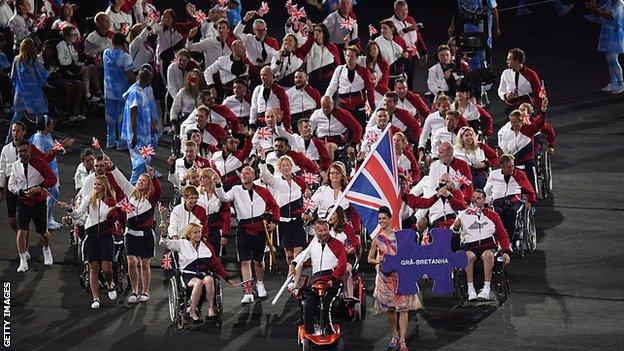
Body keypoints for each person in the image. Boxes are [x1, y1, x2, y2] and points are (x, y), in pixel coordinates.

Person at [214, 166, 281, 304]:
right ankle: (248, 291)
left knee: (259, 262)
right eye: (242, 173)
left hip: (260, 228)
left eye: (247, 172)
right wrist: (218, 185)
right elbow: (224, 198)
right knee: (244, 261)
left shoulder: (263, 191)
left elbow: (274, 207)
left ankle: (260, 283)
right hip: (243, 229)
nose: (244, 175)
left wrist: (275, 221)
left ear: (254, 175)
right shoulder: (235, 189)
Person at [60, 175, 121, 308]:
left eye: (99, 185)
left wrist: (111, 214)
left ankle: (110, 284)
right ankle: (96, 298)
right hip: (91, 238)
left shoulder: (111, 201)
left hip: (105, 238)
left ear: (104, 186)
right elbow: (78, 214)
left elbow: (114, 221)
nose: (96, 187)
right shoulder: (88, 199)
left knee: (106, 269)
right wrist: (69, 209)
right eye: (95, 185)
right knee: (93, 269)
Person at [160, 223, 237, 322]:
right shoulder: (182, 244)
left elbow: (216, 264)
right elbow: (166, 243)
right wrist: (164, 233)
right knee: (198, 283)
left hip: (203, 273)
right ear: (189, 234)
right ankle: (192, 311)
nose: (198, 234)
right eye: (195, 232)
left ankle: (211, 310)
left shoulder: (207, 246)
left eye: (200, 232)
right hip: (188, 274)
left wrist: (227, 278)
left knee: (209, 279)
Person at [367, 206, 419, 351]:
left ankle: (402, 340)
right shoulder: (377, 239)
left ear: (390, 219)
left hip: (400, 276)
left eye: (384, 218)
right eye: (379, 219)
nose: (381, 221)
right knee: (391, 309)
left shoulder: (400, 236)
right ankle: (394, 335)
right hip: (385, 277)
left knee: (403, 308)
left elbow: (409, 254)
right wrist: (380, 261)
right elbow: (369, 259)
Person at [111, 165, 162, 304]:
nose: (140, 182)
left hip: (146, 235)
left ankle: (145, 291)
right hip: (130, 234)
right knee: (132, 263)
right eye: (139, 180)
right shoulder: (131, 193)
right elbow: (121, 181)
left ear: (148, 184)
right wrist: (112, 166)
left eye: (143, 181)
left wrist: (154, 177)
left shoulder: (151, 199)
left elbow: (158, 190)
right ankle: (134, 290)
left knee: (145, 265)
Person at [451, 189, 511, 300]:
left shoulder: (493, 215)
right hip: (470, 246)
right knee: (468, 256)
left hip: (488, 246)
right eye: (473, 197)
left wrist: (506, 251)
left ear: (484, 200)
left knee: (488, 255)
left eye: (478, 198)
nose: (474, 200)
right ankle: (471, 290)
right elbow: (454, 232)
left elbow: (502, 234)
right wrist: (456, 228)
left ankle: (486, 289)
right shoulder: (462, 214)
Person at [8, 139, 57, 273]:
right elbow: (11, 184)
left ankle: (46, 249)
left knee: (43, 233)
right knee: (21, 230)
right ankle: (23, 260)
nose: (22, 153)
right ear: (17, 152)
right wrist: (21, 192)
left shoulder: (40, 163)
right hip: (23, 202)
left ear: (29, 149)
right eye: (20, 151)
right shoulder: (15, 166)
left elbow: (53, 179)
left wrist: (40, 188)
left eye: (24, 150)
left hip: (39, 202)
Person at [291, 218, 347, 335]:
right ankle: (309, 332)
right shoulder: (312, 245)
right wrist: (293, 263)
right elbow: (302, 256)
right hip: (316, 281)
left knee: (326, 306)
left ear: (329, 229)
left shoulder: (338, 245)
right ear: (315, 231)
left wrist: (333, 278)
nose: (323, 233)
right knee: (308, 306)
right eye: (320, 231)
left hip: (333, 281)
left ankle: (329, 330)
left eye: (325, 230)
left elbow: (342, 266)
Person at [259, 154, 307, 267]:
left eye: (287, 165)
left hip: (297, 220)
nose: (285, 167)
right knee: (289, 254)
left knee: (297, 255)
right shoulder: (276, 181)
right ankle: (291, 277)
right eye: (283, 166)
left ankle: (295, 280)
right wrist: (262, 160)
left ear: (292, 166)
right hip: (284, 223)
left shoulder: (300, 180)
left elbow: (307, 196)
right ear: (279, 168)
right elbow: (265, 175)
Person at [484, 154, 537, 237]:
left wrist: (530, 200)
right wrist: (486, 202)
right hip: (498, 200)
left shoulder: (520, 174)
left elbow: (529, 189)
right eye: (509, 167)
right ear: (502, 166)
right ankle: (500, 238)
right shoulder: (494, 174)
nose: (512, 169)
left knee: (512, 213)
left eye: (513, 166)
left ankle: (509, 239)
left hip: (514, 200)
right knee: (498, 213)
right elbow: (487, 190)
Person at [121, 68, 157, 184]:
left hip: (144, 135)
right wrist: (133, 134)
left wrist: (151, 125)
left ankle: (144, 188)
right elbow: (133, 113)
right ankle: (131, 189)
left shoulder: (140, 91)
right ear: (147, 80)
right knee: (139, 163)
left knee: (146, 159)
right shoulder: (135, 92)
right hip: (138, 135)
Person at [8, 38, 49, 141]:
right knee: (40, 116)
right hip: (34, 93)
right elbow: (43, 75)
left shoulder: (16, 60)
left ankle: (9, 139)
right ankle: (42, 139)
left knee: (17, 117)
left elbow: (13, 76)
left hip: (21, 93)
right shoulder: (35, 62)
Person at [325, 45, 375, 128]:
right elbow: (332, 86)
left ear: (357, 57)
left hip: (359, 107)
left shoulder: (363, 71)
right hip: (343, 106)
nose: (349, 58)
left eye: (352, 56)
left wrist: (372, 106)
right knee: (344, 130)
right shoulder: (339, 69)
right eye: (348, 56)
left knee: (359, 128)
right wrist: (326, 98)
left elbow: (369, 89)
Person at [29, 116, 63, 230]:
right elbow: (41, 159)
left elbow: (51, 149)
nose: (53, 125)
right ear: (46, 126)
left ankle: (48, 219)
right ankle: (46, 221)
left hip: (53, 169)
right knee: (53, 194)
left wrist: (60, 147)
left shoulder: (47, 135)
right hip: (47, 172)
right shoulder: (39, 139)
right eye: (51, 123)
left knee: (53, 194)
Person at [104, 32, 136, 149]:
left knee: (110, 118)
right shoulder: (126, 57)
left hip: (108, 91)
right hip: (122, 92)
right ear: (124, 43)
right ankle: (122, 143)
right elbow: (130, 76)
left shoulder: (105, 53)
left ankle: (110, 141)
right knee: (122, 118)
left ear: (113, 42)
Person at [586, 0, 624, 94]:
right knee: (610, 60)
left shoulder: (619, 3)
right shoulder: (609, 2)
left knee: (612, 60)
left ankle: (620, 83)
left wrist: (594, 8)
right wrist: (593, 7)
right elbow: (601, 14)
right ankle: (613, 82)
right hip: (607, 33)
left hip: (615, 35)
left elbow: (610, 16)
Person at [58, 25, 101, 103]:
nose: (76, 37)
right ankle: (87, 94)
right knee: (86, 69)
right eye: (73, 35)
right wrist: (73, 61)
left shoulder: (72, 45)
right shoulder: (61, 45)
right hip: (66, 69)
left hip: (73, 66)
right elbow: (62, 61)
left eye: (76, 34)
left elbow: (75, 56)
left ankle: (98, 91)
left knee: (92, 67)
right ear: (67, 36)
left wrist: (78, 62)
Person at [197, 168, 231, 256]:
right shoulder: (197, 194)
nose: (200, 179)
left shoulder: (220, 195)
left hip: (215, 230)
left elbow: (226, 216)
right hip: (199, 229)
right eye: (200, 177)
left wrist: (224, 235)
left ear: (210, 179)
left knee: (215, 257)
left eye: (203, 177)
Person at [327, 205, 359, 299]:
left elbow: (354, 243)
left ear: (338, 215)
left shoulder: (346, 227)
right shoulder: (326, 229)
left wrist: (350, 248)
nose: (330, 216)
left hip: (347, 257)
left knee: (346, 269)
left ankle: (349, 296)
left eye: (333, 214)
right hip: (331, 257)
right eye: (329, 214)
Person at [497, 48, 543, 113]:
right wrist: (506, 96)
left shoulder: (530, 74)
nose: (507, 62)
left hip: (526, 108)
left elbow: (538, 94)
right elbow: (501, 90)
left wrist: (540, 112)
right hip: (511, 108)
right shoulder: (505, 73)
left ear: (517, 61)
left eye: (509, 60)